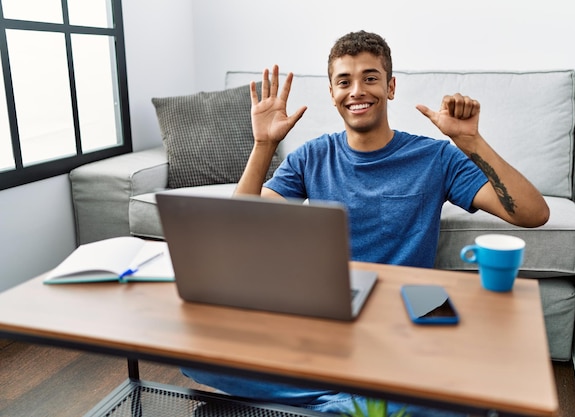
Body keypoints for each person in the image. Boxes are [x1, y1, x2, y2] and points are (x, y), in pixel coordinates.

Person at [183, 31, 549, 416]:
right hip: (328, 314)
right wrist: (263, 146)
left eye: (370, 78)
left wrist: (472, 142)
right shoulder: (312, 156)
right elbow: (241, 230)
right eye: (344, 81)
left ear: (390, 87)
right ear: (332, 92)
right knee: (196, 355)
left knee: (485, 394)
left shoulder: (436, 156)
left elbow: (532, 213)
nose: (357, 90)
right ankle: (354, 402)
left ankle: (330, 402)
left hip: (407, 315)